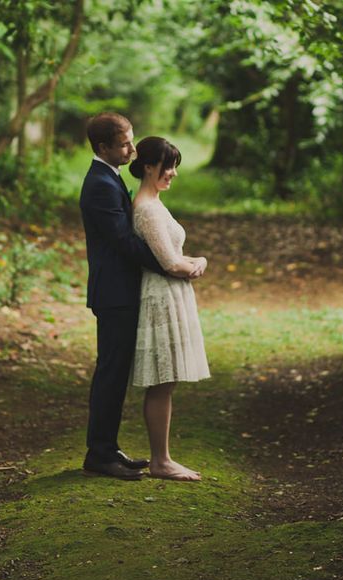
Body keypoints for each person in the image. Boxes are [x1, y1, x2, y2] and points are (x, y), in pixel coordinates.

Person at [79, 114, 202, 481]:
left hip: (123, 289)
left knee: (115, 375)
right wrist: (171, 264)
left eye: (132, 141)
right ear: (103, 148)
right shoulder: (100, 183)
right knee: (111, 374)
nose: (132, 150)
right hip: (114, 292)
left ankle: (107, 447)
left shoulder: (110, 177)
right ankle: (98, 454)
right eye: (124, 144)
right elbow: (124, 242)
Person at [130, 136, 210, 481]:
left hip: (172, 293)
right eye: (168, 165)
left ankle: (162, 457)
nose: (173, 173)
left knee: (169, 379)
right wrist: (196, 263)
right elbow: (168, 263)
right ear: (148, 166)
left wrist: (194, 260)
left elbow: (174, 259)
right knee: (163, 379)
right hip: (161, 296)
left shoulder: (155, 203)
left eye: (175, 166)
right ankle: (160, 460)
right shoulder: (146, 208)